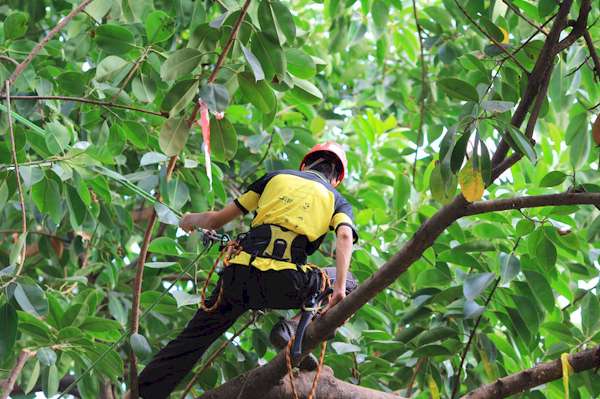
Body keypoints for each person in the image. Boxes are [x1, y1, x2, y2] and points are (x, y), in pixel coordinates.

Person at [137, 142, 358, 399]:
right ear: (336, 178)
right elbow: (344, 236)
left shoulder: (275, 178)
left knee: (193, 338)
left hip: (239, 278)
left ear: (305, 164)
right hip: (287, 282)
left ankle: (142, 393)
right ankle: (292, 329)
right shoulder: (336, 199)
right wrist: (340, 289)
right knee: (350, 282)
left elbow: (215, 220)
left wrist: (190, 219)